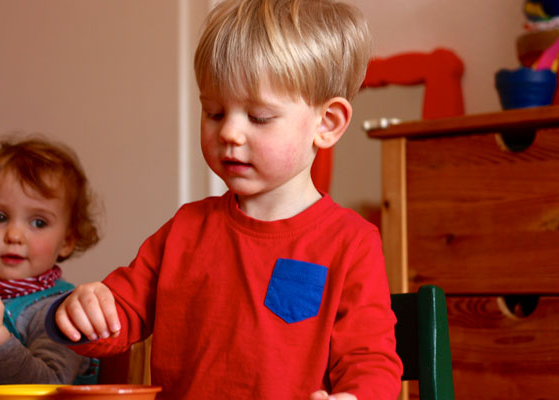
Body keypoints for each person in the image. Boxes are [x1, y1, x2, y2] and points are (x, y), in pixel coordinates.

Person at [49, 0, 402, 398]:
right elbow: (118, 318)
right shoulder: (184, 229)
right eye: (214, 113)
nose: (229, 133)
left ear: (327, 124)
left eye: (258, 117)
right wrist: (82, 312)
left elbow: (369, 360)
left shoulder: (351, 242)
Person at [0, 136, 100, 390]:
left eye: (38, 223)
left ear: (67, 240)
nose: (14, 236)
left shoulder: (62, 311)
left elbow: (49, 386)